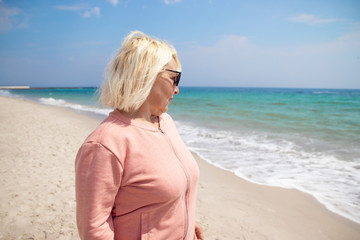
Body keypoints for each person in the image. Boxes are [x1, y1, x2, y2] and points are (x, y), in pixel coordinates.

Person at [75, 31, 204, 240]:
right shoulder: (105, 144)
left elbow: (158, 197)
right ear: (146, 75)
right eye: (174, 78)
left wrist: (186, 223)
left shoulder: (166, 122)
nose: (178, 89)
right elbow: (94, 229)